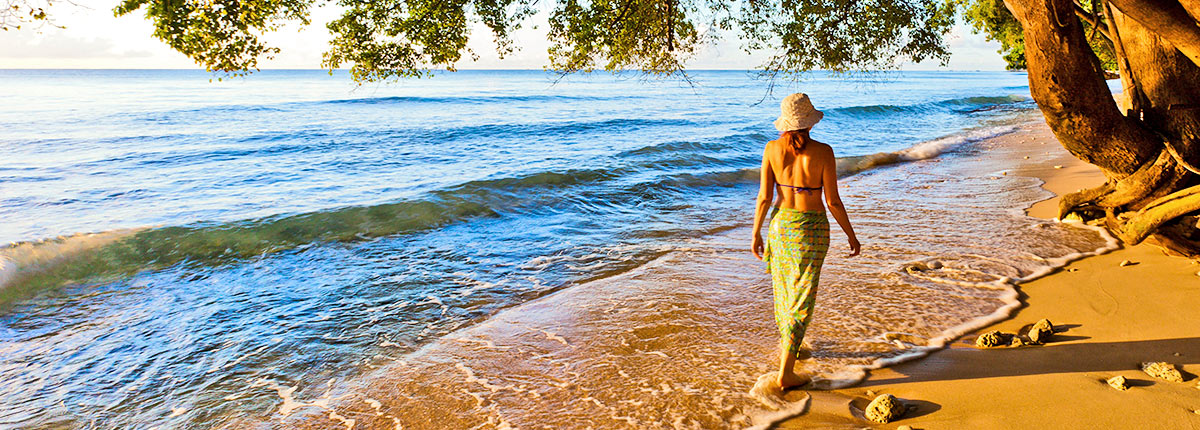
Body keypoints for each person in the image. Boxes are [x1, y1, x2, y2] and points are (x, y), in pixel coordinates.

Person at [751, 93, 861, 390]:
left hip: (781, 225)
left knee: (785, 290)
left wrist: (756, 232)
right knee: (803, 294)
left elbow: (764, 197)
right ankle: (786, 371)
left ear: (785, 123)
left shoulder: (771, 148)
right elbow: (833, 201)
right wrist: (851, 235)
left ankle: (792, 347)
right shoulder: (824, 151)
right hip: (811, 228)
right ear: (810, 122)